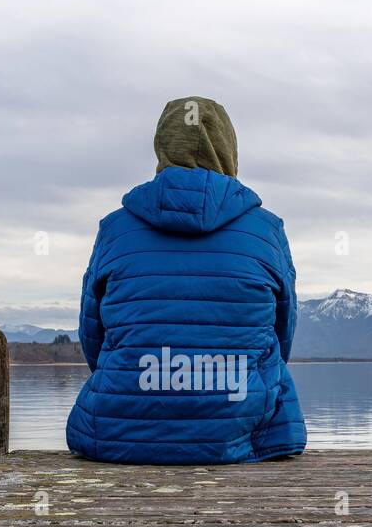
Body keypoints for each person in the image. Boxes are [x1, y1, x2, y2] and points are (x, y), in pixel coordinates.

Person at [66, 96, 307, 464]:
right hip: (242, 428)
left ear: (162, 146)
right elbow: (281, 331)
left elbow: (92, 333)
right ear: (228, 149)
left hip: (118, 432)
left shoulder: (114, 228)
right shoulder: (266, 230)